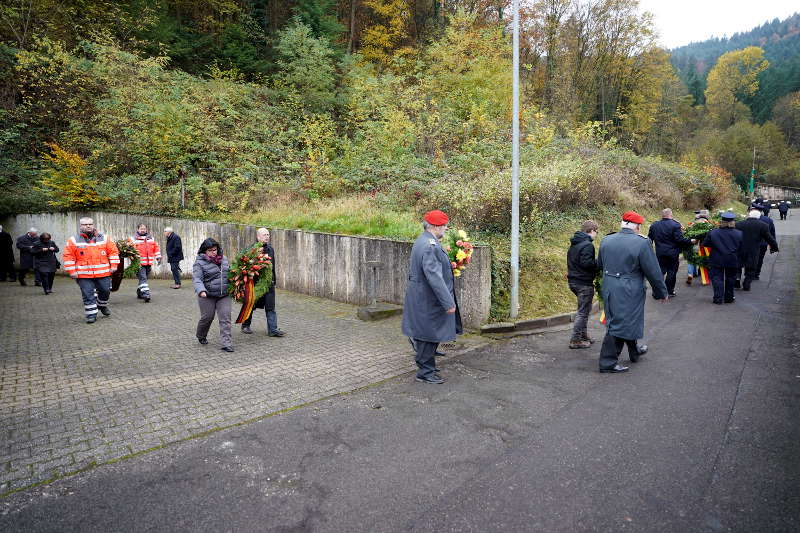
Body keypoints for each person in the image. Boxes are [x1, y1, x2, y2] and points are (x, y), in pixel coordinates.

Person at [597, 211, 668, 374]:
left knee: (624, 319)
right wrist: (661, 292)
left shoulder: (606, 239)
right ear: (637, 226)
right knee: (620, 323)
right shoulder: (642, 243)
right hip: (629, 289)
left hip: (609, 286)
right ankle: (607, 362)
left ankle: (634, 351)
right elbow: (653, 271)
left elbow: (600, 264)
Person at [402, 210, 462, 384]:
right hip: (429, 299)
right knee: (428, 335)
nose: (446, 228)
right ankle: (425, 372)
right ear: (436, 226)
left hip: (424, 297)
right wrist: (448, 302)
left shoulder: (424, 240)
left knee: (428, 333)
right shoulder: (430, 245)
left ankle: (427, 366)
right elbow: (434, 277)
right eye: (444, 226)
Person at [62, 217, 120, 323]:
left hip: (103, 272)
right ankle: (91, 314)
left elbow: (113, 252)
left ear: (93, 225)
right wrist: (72, 271)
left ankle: (101, 305)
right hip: (83, 274)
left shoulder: (104, 238)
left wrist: (114, 265)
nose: (88, 226)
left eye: (90, 224)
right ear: (80, 226)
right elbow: (68, 256)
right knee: (88, 294)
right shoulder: (73, 240)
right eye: (85, 224)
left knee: (105, 291)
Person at [241, 228, 284, 337]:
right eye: (264, 235)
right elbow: (246, 267)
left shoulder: (270, 249)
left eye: (268, 235)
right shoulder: (251, 250)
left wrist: (274, 280)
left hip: (268, 283)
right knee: (251, 304)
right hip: (255, 283)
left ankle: (272, 329)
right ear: (258, 237)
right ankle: (245, 325)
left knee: (270, 306)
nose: (267, 237)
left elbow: (272, 266)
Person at [193, 238, 233, 352]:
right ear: (205, 251)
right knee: (207, 317)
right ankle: (201, 335)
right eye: (210, 250)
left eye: (215, 249)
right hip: (207, 295)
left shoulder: (224, 259)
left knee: (225, 318)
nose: (213, 252)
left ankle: (226, 343)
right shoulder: (199, 263)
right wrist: (201, 290)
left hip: (224, 294)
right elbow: (197, 279)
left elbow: (230, 273)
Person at [566, 220, 599, 349]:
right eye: (596, 232)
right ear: (591, 231)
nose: (596, 235)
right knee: (583, 312)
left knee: (584, 310)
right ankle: (575, 340)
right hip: (583, 283)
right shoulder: (587, 245)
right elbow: (586, 263)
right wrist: (598, 263)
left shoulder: (574, 244)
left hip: (573, 281)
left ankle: (583, 335)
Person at [647, 208, 693, 297]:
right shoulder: (675, 225)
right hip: (673, 253)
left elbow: (649, 240)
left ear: (662, 215)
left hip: (660, 253)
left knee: (660, 272)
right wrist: (690, 241)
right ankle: (669, 291)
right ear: (671, 215)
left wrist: (650, 251)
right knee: (671, 272)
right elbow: (679, 239)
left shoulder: (654, 225)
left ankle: (657, 292)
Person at [704, 212, 743, 304]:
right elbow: (742, 247)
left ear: (721, 221)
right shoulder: (739, 234)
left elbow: (705, 244)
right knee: (730, 278)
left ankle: (718, 298)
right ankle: (729, 298)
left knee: (717, 278)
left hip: (717, 259)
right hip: (732, 259)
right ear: (733, 222)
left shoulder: (713, 232)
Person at [736, 209, 778, 291]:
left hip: (740, 248)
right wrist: (774, 247)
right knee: (751, 267)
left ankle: (737, 278)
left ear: (749, 215)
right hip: (753, 250)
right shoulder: (763, 225)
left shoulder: (739, 224)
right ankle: (747, 283)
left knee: (738, 265)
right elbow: (769, 238)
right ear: (758, 217)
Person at [130, 223, 161, 303]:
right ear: (138, 229)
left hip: (148, 263)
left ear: (146, 229)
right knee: (143, 278)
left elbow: (156, 249)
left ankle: (139, 292)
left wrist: (158, 257)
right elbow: (130, 251)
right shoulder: (133, 239)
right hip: (139, 264)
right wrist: (133, 258)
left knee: (144, 278)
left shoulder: (151, 239)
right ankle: (146, 294)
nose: (143, 230)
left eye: (144, 229)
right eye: (141, 228)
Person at [686, 210, 710, 285]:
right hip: (703, 246)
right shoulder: (708, 224)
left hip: (693, 245)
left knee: (691, 260)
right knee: (703, 261)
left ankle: (691, 274)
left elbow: (688, 233)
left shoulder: (693, 223)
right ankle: (704, 277)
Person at [754, 203, 776, 280]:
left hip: (751, 243)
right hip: (763, 243)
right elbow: (772, 233)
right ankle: (756, 274)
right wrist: (773, 246)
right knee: (760, 259)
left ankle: (751, 273)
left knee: (751, 258)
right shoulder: (768, 220)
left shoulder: (749, 219)